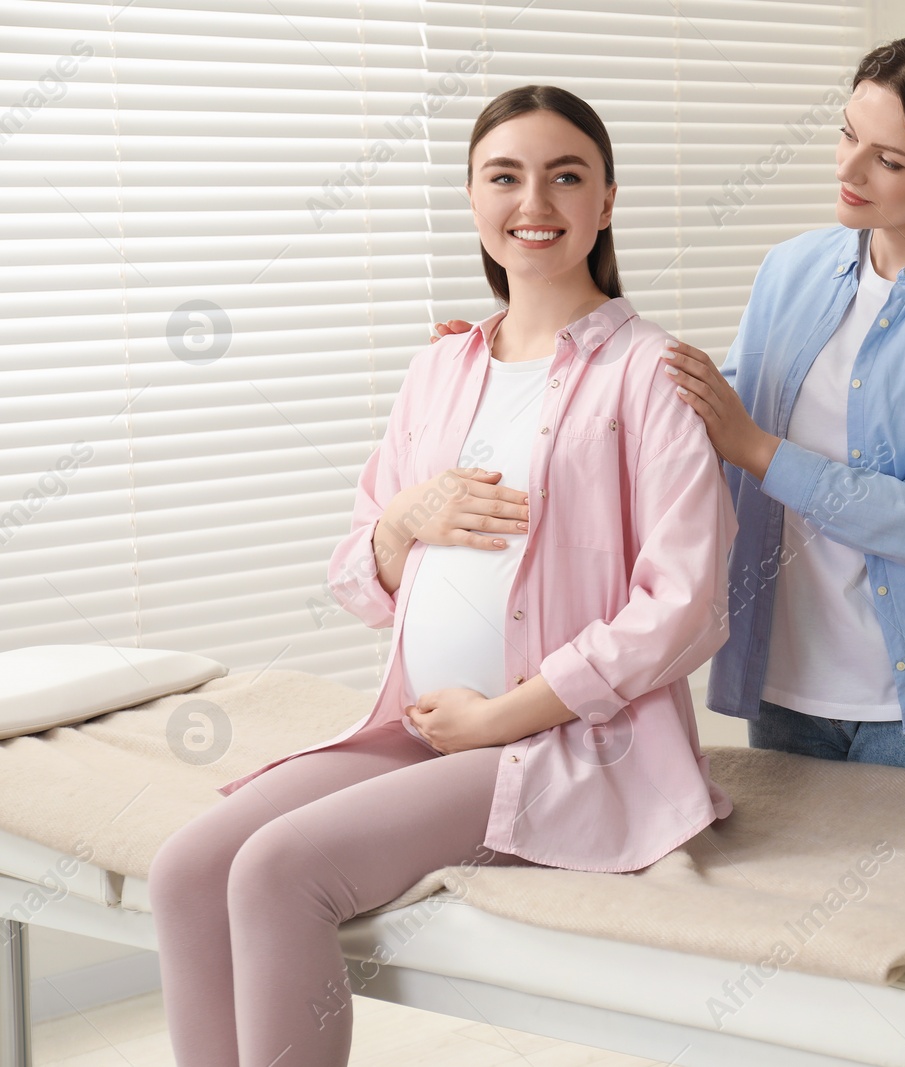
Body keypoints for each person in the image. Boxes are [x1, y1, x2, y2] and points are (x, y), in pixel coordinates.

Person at [146, 85, 735, 1067]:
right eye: (503, 175)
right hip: (419, 724)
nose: (532, 199)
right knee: (184, 868)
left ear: (606, 201)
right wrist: (402, 521)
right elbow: (355, 571)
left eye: (565, 175)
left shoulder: (652, 375)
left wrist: (502, 717)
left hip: (560, 743)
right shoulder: (440, 369)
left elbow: (682, 606)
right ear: (471, 198)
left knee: (276, 870)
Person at [659, 31, 905, 781]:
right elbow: (708, 420)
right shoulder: (790, 269)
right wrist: (517, 344)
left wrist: (757, 448)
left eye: (889, 160)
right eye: (848, 134)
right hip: (785, 686)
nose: (848, 169)